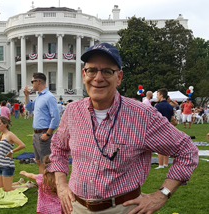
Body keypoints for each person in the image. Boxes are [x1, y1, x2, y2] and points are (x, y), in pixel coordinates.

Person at [46, 43, 199, 214]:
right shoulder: (73, 111)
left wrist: (162, 194)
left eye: (107, 71)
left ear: (118, 77)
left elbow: (187, 150)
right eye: (92, 70)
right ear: (84, 75)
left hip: (122, 209)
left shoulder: (143, 115)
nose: (98, 78)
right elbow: (58, 148)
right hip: (76, 207)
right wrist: (61, 185)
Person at [24, 73, 60, 174]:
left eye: (32, 82)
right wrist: (26, 95)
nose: (31, 84)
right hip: (36, 134)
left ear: (38, 82)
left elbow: (56, 118)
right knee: (39, 162)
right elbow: (29, 107)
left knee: (46, 163)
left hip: (44, 133)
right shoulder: (39, 96)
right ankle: (42, 187)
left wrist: (48, 134)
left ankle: (48, 188)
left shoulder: (49, 97)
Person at [0, 116, 27, 192]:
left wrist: (11, 152)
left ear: (5, 124)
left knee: (7, 189)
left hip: (7, 165)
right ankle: (19, 182)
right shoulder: (0, 135)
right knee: (0, 187)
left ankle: (27, 185)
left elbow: (22, 145)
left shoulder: (10, 135)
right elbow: (0, 148)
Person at [155, 88, 175, 169]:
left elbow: (156, 118)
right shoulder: (169, 106)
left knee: (160, 146)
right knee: (167, 146)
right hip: (168, 127)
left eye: (157, 95)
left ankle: (161, 165)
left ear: (161, 95)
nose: (157, 97)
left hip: (160, 128)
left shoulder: (158, 106)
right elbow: (173, 118)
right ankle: (166, 164)